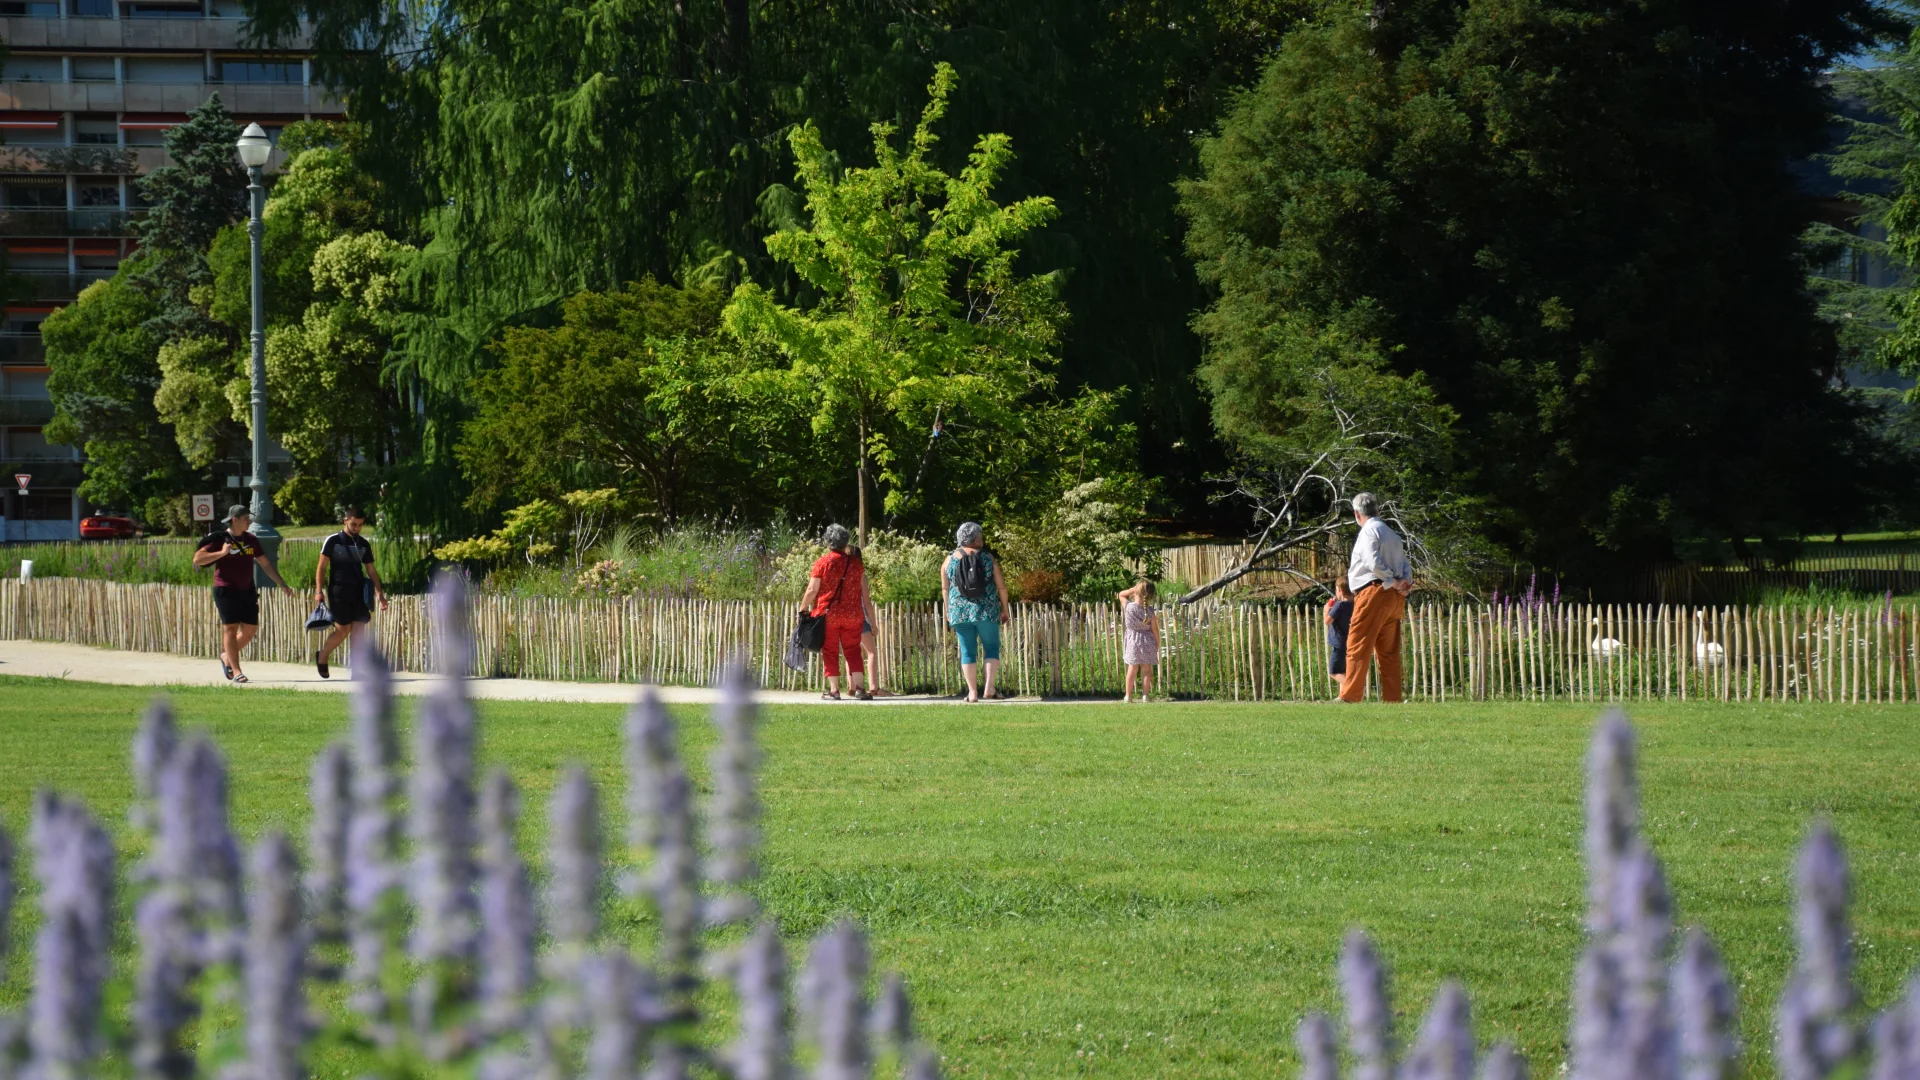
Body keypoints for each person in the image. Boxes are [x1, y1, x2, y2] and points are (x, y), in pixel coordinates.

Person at [191, 504, 290, 684]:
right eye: (246, 518)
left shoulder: (251, 539)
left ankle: (226, 656)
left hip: (247, 589)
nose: (249, 521)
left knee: (250, 630)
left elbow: (266, 564)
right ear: (234, 520)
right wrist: (221, 553)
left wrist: (282, 583)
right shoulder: (220, 538)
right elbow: (197, 559)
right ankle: (237, 671)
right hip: (225, 588)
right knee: (230, 628)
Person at [1339, 492, 1413, 703]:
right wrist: (1404, 583)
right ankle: (1393, 699)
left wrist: (1391, 581)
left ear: (1356, 513)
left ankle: (1350, 696)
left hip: (1373, 592)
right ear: (1377, 510)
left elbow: (1372, 562)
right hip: (1395, 597)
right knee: (1388, 651)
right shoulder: (1392, 534)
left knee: (1357, 644)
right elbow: (1406, 565)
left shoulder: (1368, 532)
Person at [313, 506, 390, 679]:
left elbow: (371, 570)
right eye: (354, 524)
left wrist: (380, 594)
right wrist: (319, 591)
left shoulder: (363, 544)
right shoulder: (333, 541)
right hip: (338, 591)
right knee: (342, 630)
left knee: (358, 632)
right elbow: (321, 567)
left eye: (360, 525)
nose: (357, 528)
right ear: (345, 521)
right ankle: (323, 656)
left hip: (358, 591)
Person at [800, 524, 872, 700]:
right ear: (845, 541)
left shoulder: (822, 563)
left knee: (830, 650)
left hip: (828, 614)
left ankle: (834, 690)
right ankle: (860, 689)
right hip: (853, 614)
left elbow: (812, 589)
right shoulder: (856, 564)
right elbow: (862, 591)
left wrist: (802, 608)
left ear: (827, 542)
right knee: (853, 650)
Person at [944, 521, 1010, 702]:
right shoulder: (987, 558)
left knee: (967, 651)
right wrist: (1004, 608)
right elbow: (1001, 587)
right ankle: (989, 688)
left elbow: (945, 588)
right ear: (976, 538)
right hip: (986, 611)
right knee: (991, 647)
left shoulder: (949, 559)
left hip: (959, 612)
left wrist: (948, 610)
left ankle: (972, 693)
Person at [849, 545, 886, 696]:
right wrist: (874, 624)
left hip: (844, 618)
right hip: (860, 617)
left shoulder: (841, 575)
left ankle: (852, 687)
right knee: (871, 652)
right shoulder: (860, 576)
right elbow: (867, 602)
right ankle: (873, 687)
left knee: (850, 653)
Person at [1117, 579, 1160, 702]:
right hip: (1148, 640)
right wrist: (1157, 643)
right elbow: (1155, 630)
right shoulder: (1150, 611)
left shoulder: (1129, 607)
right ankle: (1145, 696)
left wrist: (1131, 589)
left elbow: (1121, 594)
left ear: (1136, 592)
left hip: (1132, 641)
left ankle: (1128, 696)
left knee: (1132, 668)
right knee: (1146, 669)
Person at [1324, 578, 1354, 684]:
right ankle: (1343, 696)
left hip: (1338, 644)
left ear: (1340, 590)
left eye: (1336, 589)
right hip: (1349, 643)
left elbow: (1327, 621)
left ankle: (1354, 688)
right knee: (1344, 671)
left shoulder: (1339, 605)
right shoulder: (1354, 603)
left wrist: (1327, 609)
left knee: (1334, 672)